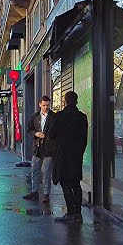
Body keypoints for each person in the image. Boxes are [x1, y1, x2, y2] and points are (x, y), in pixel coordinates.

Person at [50, 91, 88, 223]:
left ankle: (71, 212)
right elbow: (84, 138)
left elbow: (51, 134)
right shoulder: (82, 117)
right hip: (76, 156)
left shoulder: (59, 116)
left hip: (62, 155)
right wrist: (79, 152)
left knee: (65, 182)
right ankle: (78, 212)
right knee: (76, 183)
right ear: (76, 101)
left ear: (65, 101)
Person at [22, 96, 56, 203]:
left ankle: (46, 194)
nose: (46, 107)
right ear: (39, 105)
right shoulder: (35, 116)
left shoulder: (54, 116)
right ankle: (34, 191)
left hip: (49, 148)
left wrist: (49, 136)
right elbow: (29, 129)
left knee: (46, 171)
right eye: (44, 105)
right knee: (35, 170)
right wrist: (36, 133)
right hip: (37, 147)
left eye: (48, 105)